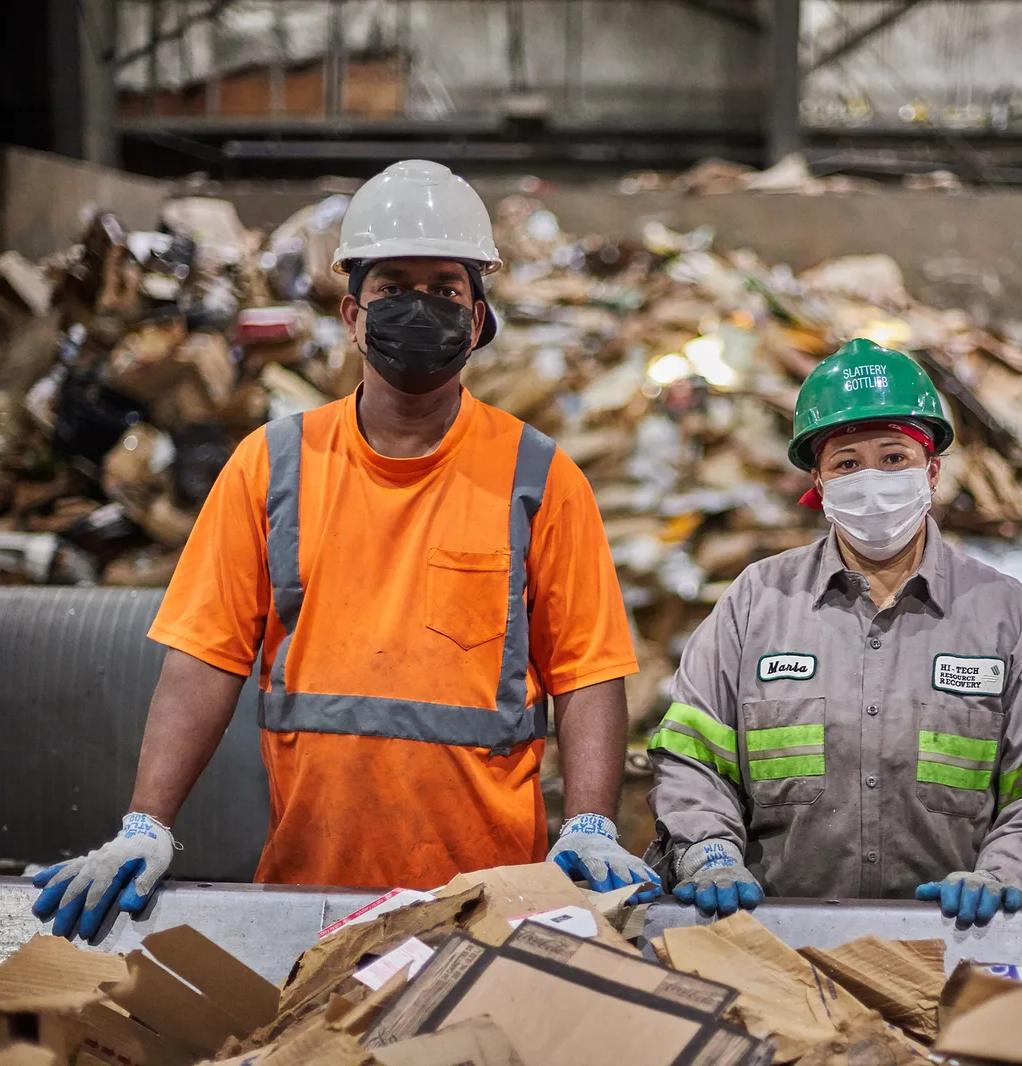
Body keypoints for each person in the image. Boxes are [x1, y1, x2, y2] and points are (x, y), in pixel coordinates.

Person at [32, 160, 658, 940]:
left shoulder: (540, 477)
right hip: (309, 894)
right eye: (394, 287)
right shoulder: (273, 465)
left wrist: (592, 823)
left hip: (492, 901)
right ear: (352, 314)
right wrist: (146, 823)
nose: (420, 307)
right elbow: (204, 656)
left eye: (446, 288)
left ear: (479, 316)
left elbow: (588, 671)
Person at [647, 338, 1022, 921]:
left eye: (894, 458)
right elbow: (693, 759)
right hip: (777, 943)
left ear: (931, 471)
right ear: (819, 482)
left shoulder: (1005, 615)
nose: (872, 480)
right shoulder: (756, 603)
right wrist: (709, 853)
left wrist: (1004, 872)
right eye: (847, 463)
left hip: (957, 945)